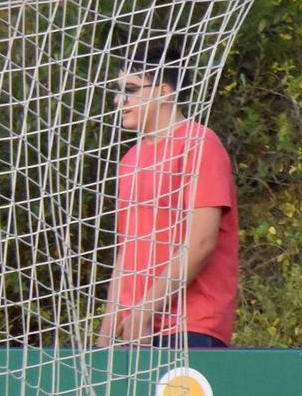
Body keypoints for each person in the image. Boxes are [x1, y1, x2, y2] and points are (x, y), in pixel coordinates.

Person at [97, 41, 238, 349]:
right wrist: (107, 331)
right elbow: (128, 251)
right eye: (118, 90)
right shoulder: (130, 160)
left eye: (131, 89)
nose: (119, 100)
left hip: (191, 327)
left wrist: (145, 311)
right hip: (136, 329)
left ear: (163, 91)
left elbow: (201, 242)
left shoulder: (200, 144)